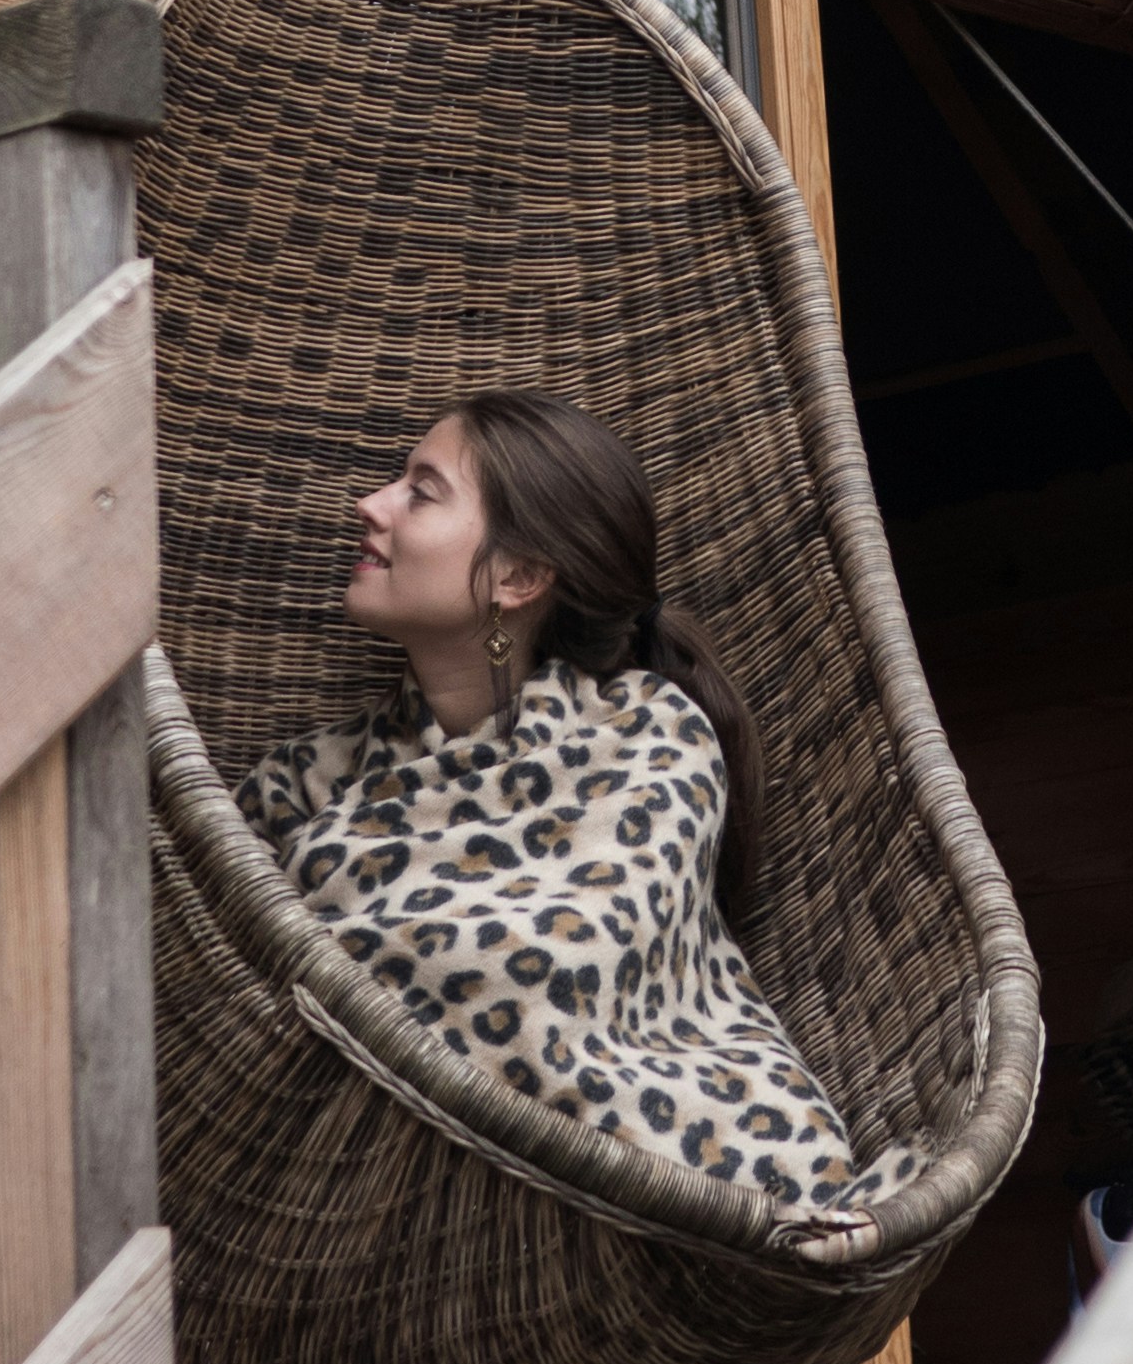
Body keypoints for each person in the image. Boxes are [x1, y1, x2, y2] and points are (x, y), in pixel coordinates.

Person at [237, 387, 874, 1214]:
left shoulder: (645, 739)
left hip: (670, 1199)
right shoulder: (305, 783)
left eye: (421, 492)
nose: (371, 505)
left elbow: (546, 981)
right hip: (366, 1201)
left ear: (519, 576)